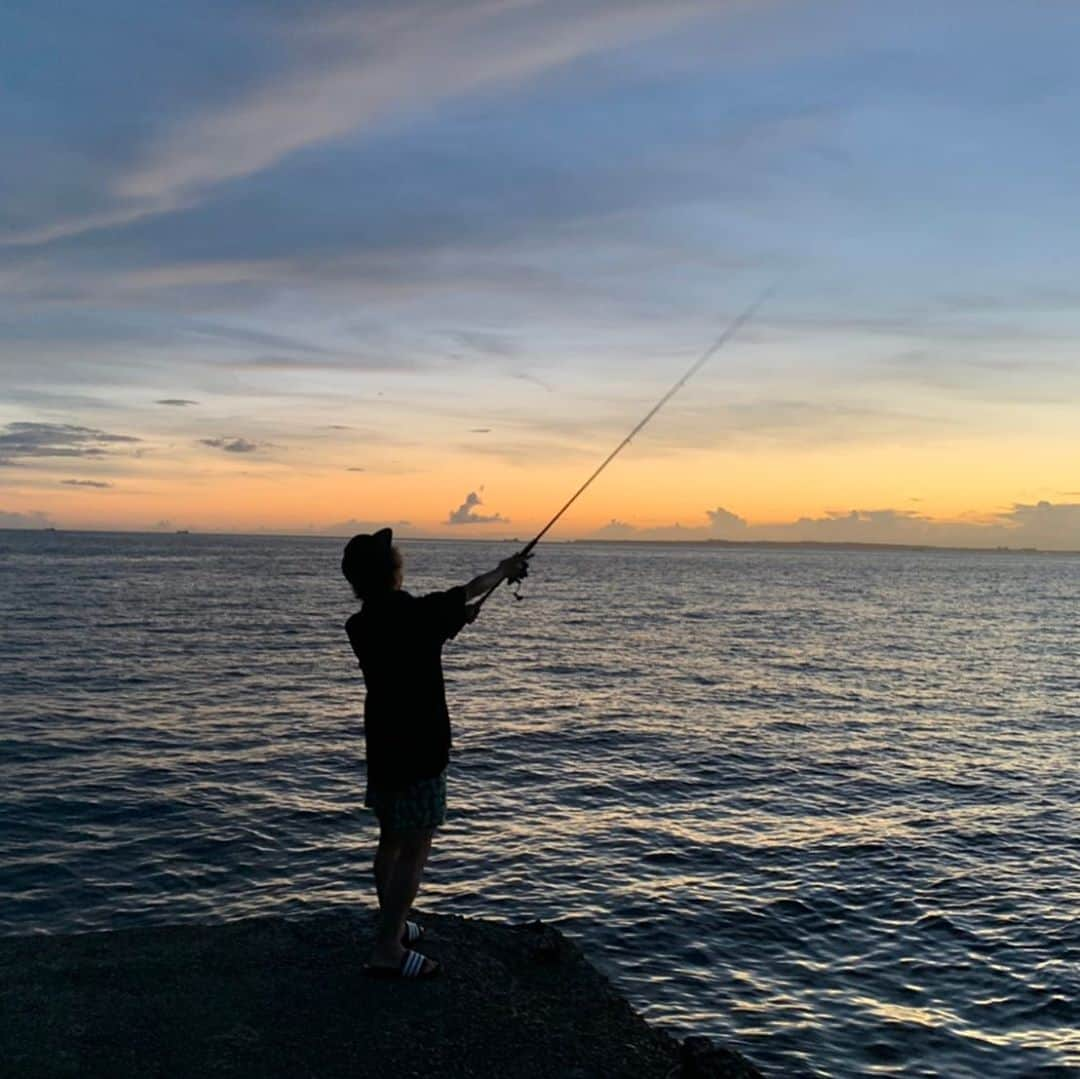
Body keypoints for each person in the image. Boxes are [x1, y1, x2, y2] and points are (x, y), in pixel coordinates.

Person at [342, 528, 529, 979]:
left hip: (384, 747)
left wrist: (457, 617)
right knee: (416, 845)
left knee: (390, 837)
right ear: (392, 570)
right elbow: (465, 592)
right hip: (420, 747)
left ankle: (394, 925)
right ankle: (387, 947)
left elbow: (440, 617)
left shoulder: (362, 625)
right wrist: (505, 570)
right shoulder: (415, 615)